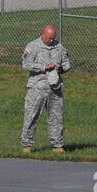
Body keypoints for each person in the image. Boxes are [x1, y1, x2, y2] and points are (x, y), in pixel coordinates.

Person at [20, 24, 71, 153]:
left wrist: (60, 69)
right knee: (31, 117)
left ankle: (57, 145)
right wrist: (44, 67)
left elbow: (67, 63)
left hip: (55, 88)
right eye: (49, 38)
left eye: (53, 38)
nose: (51, 41)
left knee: (57, 118)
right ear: (43, 35)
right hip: (37, 87)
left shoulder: (59, 47)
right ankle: (27, 145)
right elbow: (26, 64)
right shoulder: (33, 46)